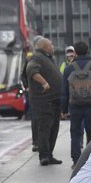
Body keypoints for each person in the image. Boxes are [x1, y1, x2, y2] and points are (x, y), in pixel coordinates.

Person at [26, 37, 63, 166]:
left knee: (53, 128)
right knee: (45, 128)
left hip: (54, 100)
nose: (53, 47)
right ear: (45, 47)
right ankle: (44, 156)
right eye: (51, 45)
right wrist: (44, 82)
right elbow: (31, 71)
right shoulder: (36, 58)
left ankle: (49, 154)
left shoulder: (48, 58)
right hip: (44, 101)